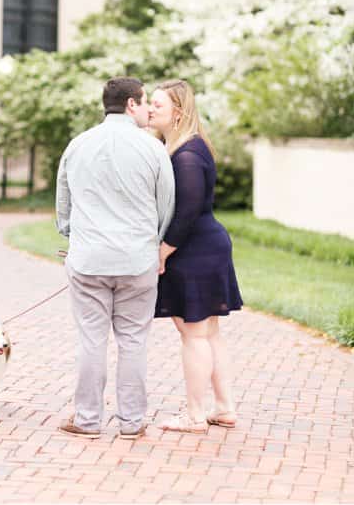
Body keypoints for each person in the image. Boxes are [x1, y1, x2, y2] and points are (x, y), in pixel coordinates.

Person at [55, 77, 176, 440]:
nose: (147, 111)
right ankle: (132, 421)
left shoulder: (77, 146)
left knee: (92, 340)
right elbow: (165, 206)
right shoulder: (152, 149)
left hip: (88, 260)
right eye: (143, 103)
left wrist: (73, 236)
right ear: (130, 104)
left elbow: (64, 206)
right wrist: (151, 242)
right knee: (134, 341)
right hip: (137, 262)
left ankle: (88, 419)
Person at [148, 79, 243, 434]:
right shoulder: (184, 147)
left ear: (178, 111)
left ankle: (195, 415)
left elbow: (186, 214)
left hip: (195, 251)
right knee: (208, 334)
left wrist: (161, 253)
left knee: (195, 335)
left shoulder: (187, 155)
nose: (151, 108)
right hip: (204, 248)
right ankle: (224, 408)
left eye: (158, 104)